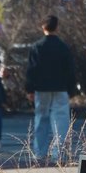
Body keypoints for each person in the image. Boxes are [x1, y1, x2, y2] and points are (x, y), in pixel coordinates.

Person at [25, 14, 76, 164]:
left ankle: (39, 153)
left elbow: (32, 70)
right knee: (61, 121)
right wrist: (71, 89)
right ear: (57, 27)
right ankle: (59, 153)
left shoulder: (37, 47)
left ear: (43, 27)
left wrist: (29, 89)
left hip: (41, 89)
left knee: (41, 119)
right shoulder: (63, 47)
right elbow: (70, 70)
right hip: (60, 88)